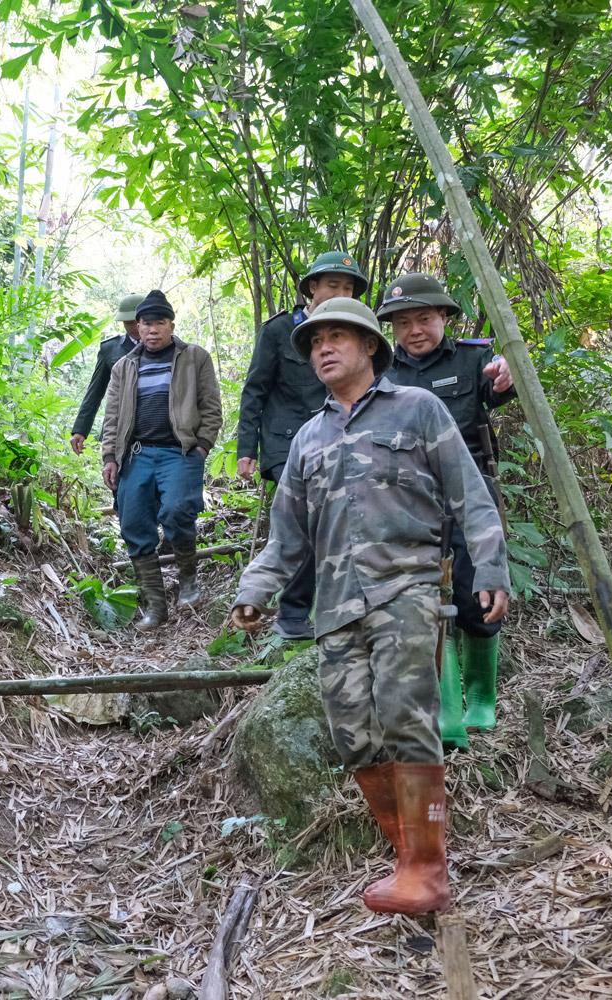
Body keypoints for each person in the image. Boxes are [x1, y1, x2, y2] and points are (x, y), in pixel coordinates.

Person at [228, 297, 508, 914]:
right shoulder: (308, 437)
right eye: (314, 342)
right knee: (352, 733)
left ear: (369, 347)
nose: (323, 348)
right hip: (336, 606)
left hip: (405, 588)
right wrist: (255, 588)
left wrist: (489, 567)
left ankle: (426, 870)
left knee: (408, 717)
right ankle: (407, 852)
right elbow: (287, 535)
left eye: (337, 337)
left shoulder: (420, 408)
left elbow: (470, 493)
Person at [377, 273, 515, 749]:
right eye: (403, 322)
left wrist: (506, 377)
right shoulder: (382, 371)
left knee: (477, 587)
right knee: (424, 600)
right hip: (408, 500)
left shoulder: (473, 358)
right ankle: (445, 710)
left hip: (469, 492)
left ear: (444, 319)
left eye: (425, 319)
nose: (414, 329)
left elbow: (500, 388)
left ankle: (481, 694)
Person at [235, 251, 369, 639]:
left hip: (341, 437)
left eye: (347, 288)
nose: (339, 292)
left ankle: (337, 604)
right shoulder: (280, 331)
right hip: (286, 444)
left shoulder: (358, 332)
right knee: (305, 520)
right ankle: (292, 612)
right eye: (332, 285)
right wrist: (247, 449)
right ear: (312, 287)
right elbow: (255, 389)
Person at [100, 289, 222, 631]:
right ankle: (156, 606)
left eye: (159, 323)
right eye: (145, 323)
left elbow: (211, 407)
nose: (151, 330)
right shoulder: (124, 366)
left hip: (179, 452)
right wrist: (110, 455)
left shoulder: (194, 357)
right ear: (136, 328)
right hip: (136, 454)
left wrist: (202, 446)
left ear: (171, 324)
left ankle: (188, 578)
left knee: (177, 510)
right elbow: (111, 417)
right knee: (134, 524)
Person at [70, 293, 145, 454]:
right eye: (128, 323)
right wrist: (80, 430)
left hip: (156, 427)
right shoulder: (110, 348)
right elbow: (95, 393)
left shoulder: (167, 347)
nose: (134, 327)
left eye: (137, 322)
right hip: (118, 427)